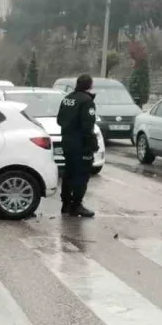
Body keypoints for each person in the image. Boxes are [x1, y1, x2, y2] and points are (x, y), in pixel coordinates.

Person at [56, 73, 98, 218]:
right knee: (81, 175)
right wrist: (92, 144)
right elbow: (88, 126)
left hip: (67, 143)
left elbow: (59, 120)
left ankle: (66, 204)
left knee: (68, 173)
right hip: (81, 145)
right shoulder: (86, 101)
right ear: (90, 85)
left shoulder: (67, 99)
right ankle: (76, 205)